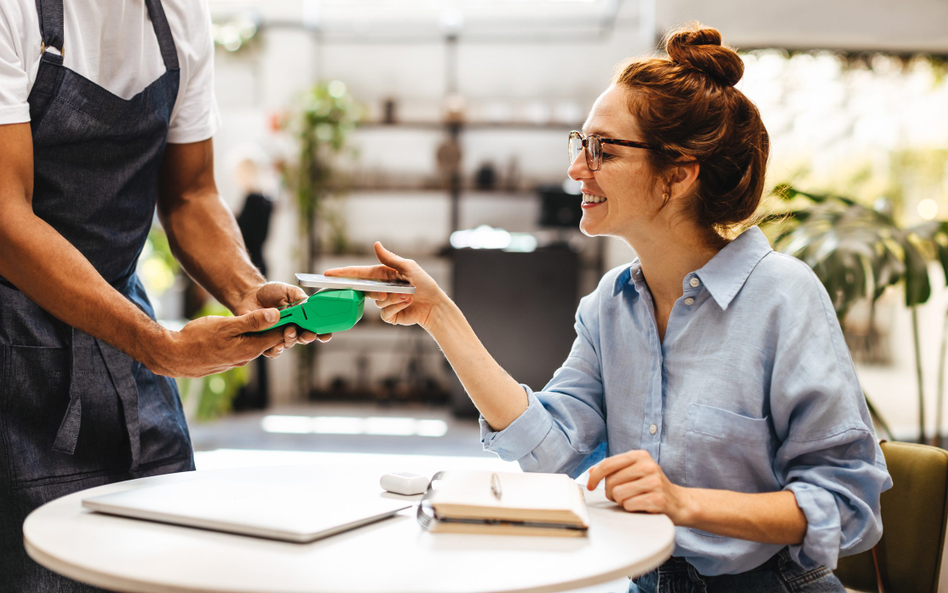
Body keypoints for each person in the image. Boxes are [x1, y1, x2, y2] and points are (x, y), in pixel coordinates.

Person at [326, 24, 892, 593]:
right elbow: (550, 449)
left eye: (604, 148)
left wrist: (685, 503)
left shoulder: (783, 297)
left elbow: (847, 504)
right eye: (580, 143)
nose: (577, 168)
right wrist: (438, 315)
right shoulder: (610, 305)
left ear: (679, 173)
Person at [0, 0, 325, 589]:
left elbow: (192, 194)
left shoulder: (179, 14)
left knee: (165, 559)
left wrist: (249, 291)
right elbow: (5, 220)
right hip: (15, 349)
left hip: (129, 347)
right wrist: (156, 345)